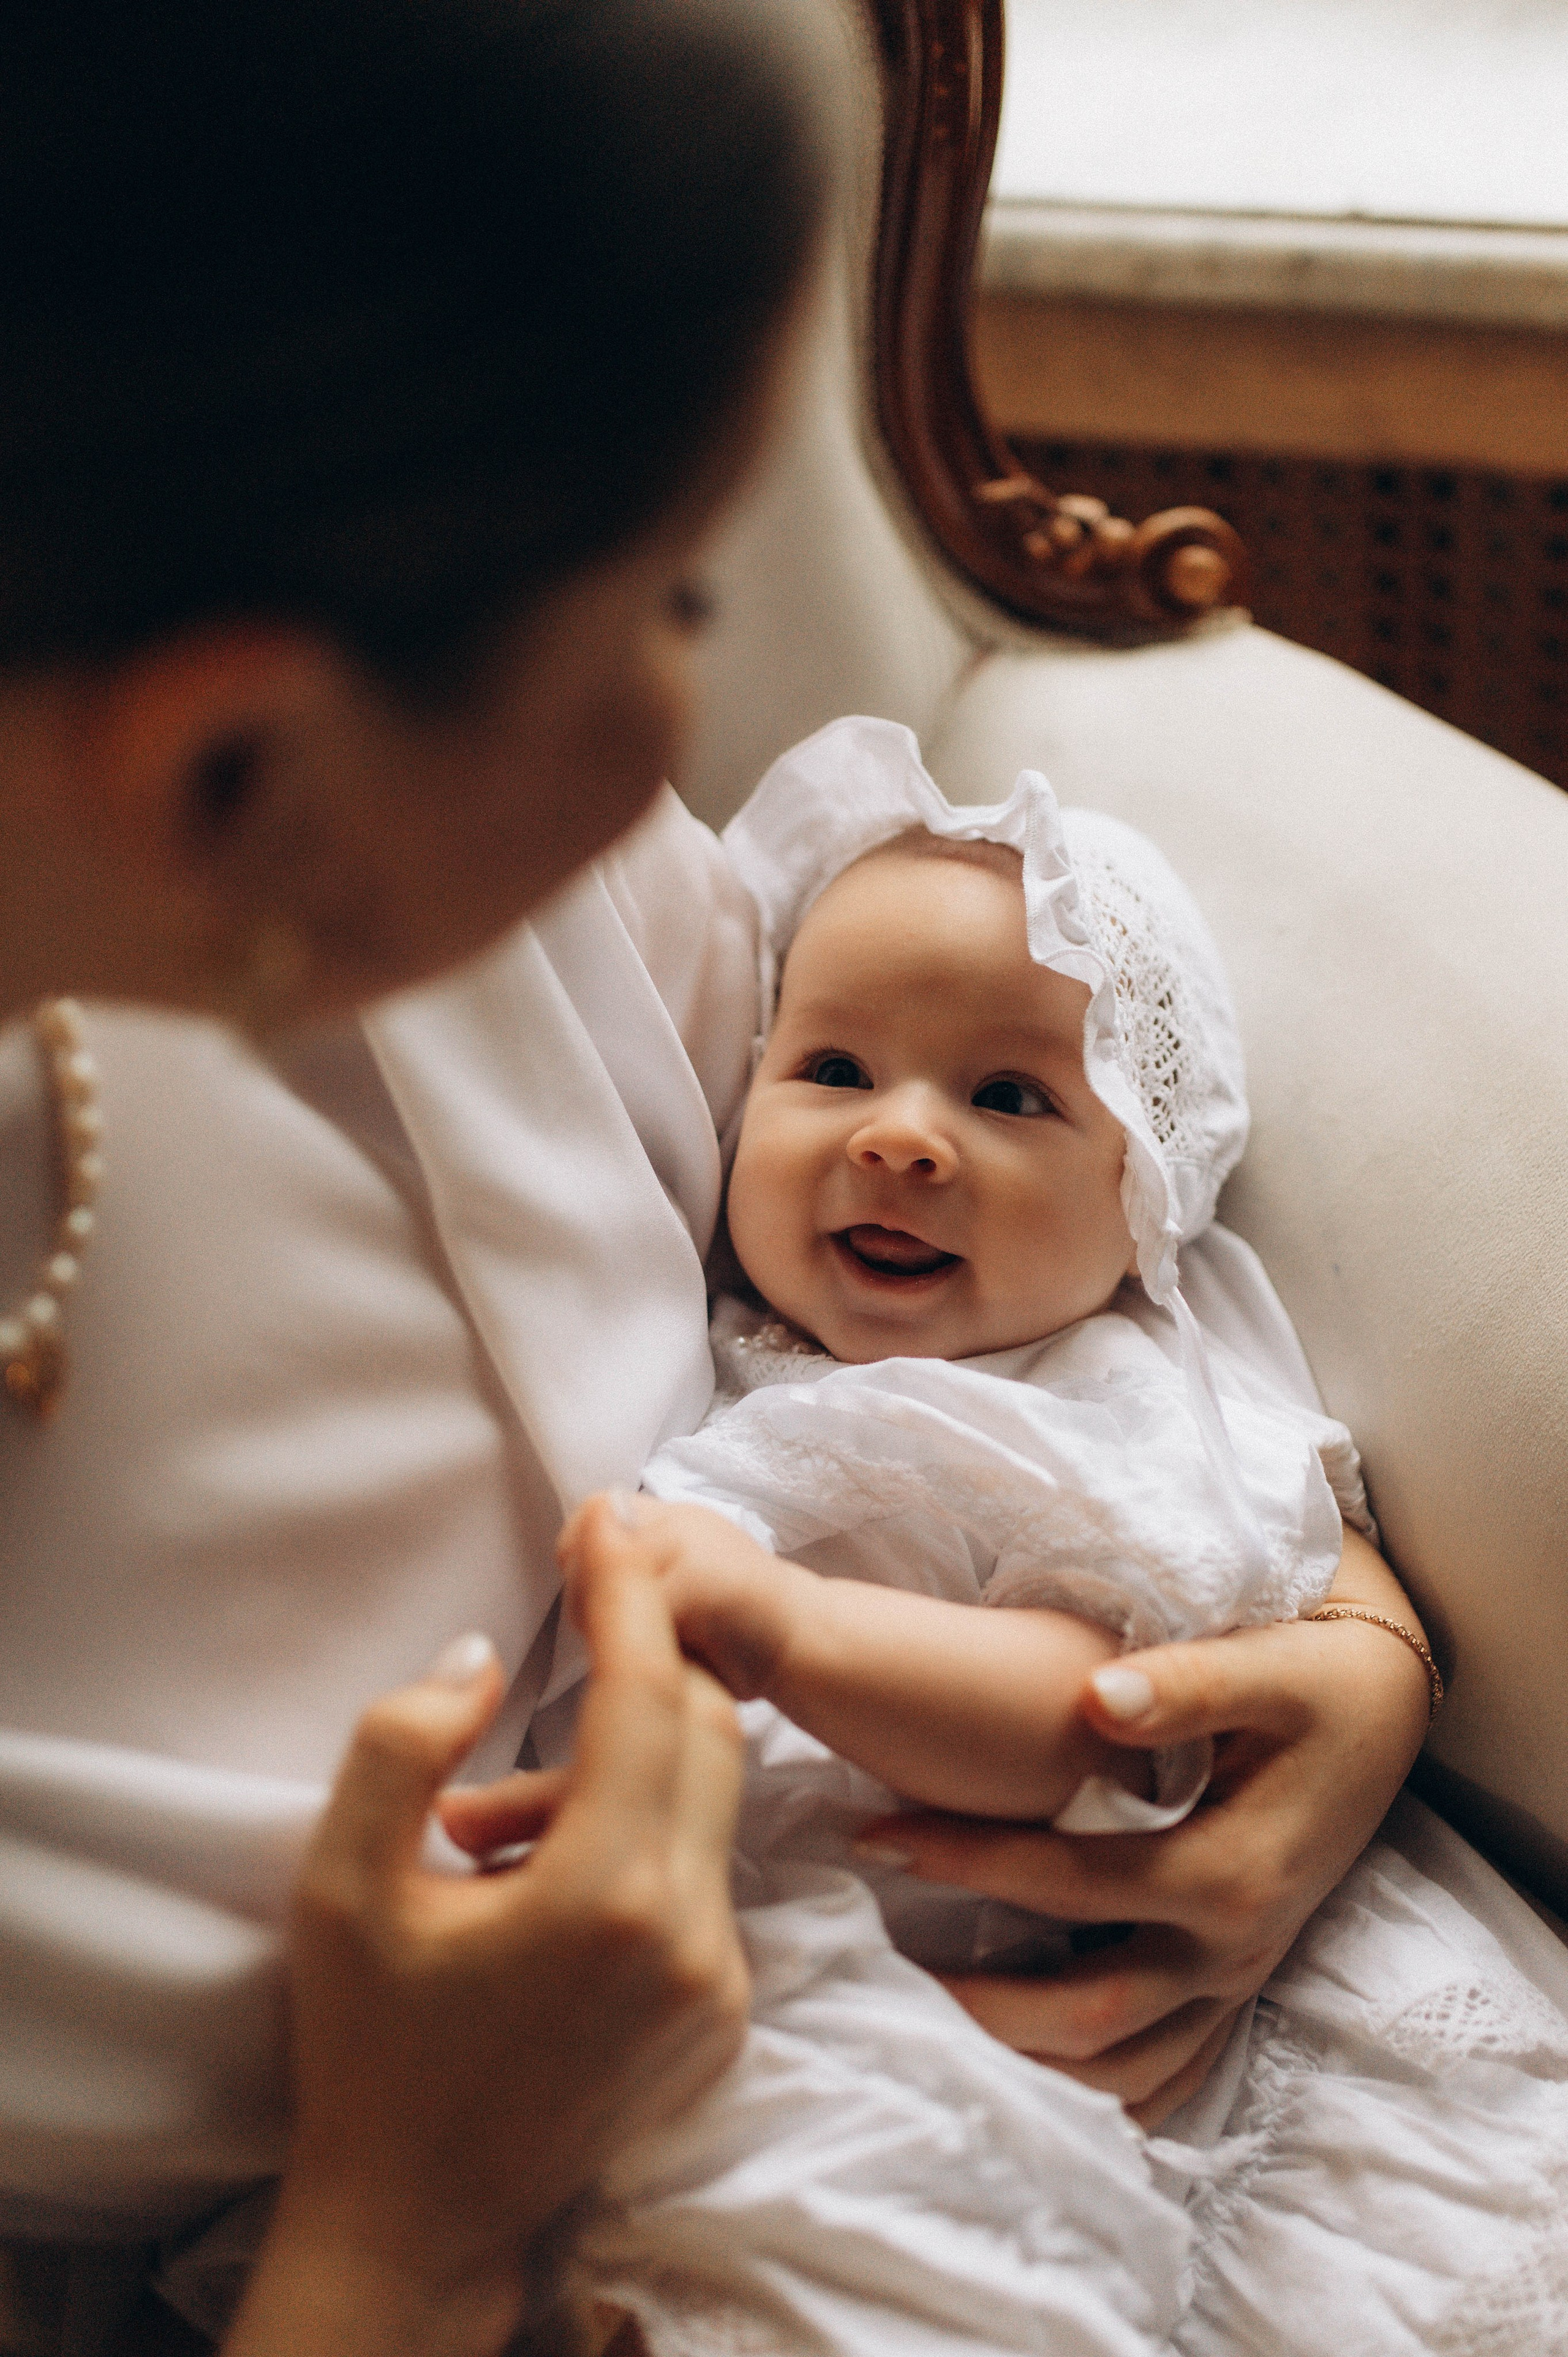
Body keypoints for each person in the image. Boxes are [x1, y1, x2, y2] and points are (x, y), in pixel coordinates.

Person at [0, 2, 834, 2351]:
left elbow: (906, 1263)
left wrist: (1297, 1634)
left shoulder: (531, 901)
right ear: (230, 768)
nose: (709, 700)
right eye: (674, 595)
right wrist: (409, 2228)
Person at [496, 717, 1567, 2355]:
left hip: (1055, 2032)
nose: (900, 1139)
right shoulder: (721, 1345)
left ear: (1148, 1201)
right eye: (835, 1069)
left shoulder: (1096, 1409)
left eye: (1008, 1097)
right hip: (790, 2012)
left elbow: (1102, 1731)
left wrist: (789, 1634)